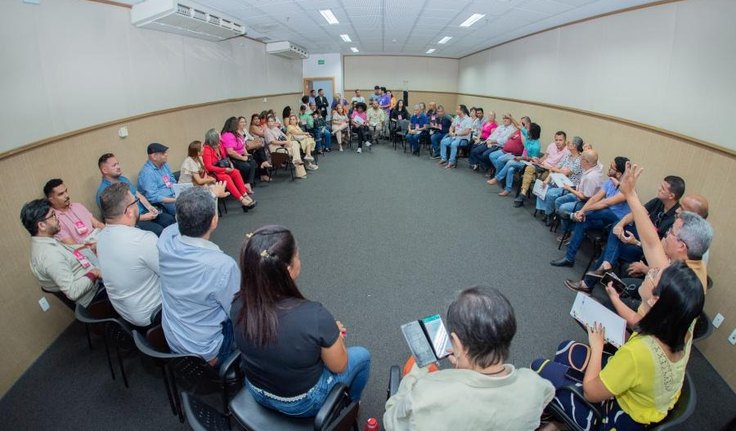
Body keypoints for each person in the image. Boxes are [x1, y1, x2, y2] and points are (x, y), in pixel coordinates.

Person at [532, 260, 704, 431]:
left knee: (539, 366)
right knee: (567, 349)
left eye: (652, 275)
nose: (649, 274)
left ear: (654, 300)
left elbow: (590, 393)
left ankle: (557, 416)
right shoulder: (683, 324)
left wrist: (597, 347)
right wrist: (615, 298)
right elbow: (639, 321)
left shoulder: (638, 353)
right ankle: (558, 417)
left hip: (616, 418)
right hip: (645, 404)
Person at [232, 225, 371, 417]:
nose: (299, 259)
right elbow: (339, 366)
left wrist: (324, 335)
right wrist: (335, 337)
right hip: (301, 403)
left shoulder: (238, 303)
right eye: (297, 255)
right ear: (288, 269)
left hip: (255, 390)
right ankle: (351, 406)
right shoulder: (314, 315)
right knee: (362, 356)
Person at [384, 287, 554, 430]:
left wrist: (414, 376)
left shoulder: (427, 397)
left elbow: (391, 420)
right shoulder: (535, 385)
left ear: (456, 343)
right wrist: (464, 368)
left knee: (413, 365)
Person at [158, 187, 239, 368]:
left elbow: (178, 223)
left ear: (178, 218)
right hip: (207, 352)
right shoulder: (222, 266)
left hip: (174, 341)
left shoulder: (165, 240)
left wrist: (211, 195)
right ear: (214, 221)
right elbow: (238, 313)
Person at [566, 175, 686, 295]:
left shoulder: (675, 220)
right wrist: (620, 224)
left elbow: (659, 250)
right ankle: (605, 266)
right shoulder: (657, 202)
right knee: (616, 227)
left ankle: (591, 280)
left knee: (612, 246)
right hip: (637, 238)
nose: (659, 188)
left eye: (663, 188)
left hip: (646, 252)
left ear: (671, 196)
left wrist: (636, 242)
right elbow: (636, 213)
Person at [97, 183, 161, 327]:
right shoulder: (143, 239)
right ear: (129, 211)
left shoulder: (100, 237)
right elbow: (171, 274)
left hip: (125, 313)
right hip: (153, 314)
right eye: (136, 202)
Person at [21, 198, 103, 307]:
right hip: (94, 296)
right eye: (53, 215)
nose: (57, 218)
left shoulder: (43, 243)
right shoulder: (50, 256)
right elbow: (73, 292)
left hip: (91, 278)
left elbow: (68, 251)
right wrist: (95, 273)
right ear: (41, 225)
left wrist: (88, 246)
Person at [550, 156, 630, 267]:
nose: (608, 169)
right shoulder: (609, 182)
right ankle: (569, 258)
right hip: (603, 219)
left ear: (619, 174)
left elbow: (605, 203)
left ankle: (575, 215)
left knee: (604, 211)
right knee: (582, 221)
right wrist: (582, 211)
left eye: (612, 167)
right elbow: (595, 198)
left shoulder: (627, 190)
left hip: (617, 223)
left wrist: (584, 211)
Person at [97, 153, 175, 236]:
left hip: (144, 212)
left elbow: (138, 195)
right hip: (134, 221)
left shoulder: (123, 179)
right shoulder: (104, 192)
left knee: (169, 220)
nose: (118, 167)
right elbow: (118, 219)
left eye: (118, 163)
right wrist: (144, 217)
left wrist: (150, 207)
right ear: (105, 170)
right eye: (114, 165)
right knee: (159, 231)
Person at [202, 128, 257, 211]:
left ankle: (245, 194)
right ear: (214, 138)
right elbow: (208, 166)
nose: (221, 136)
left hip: (223, 167)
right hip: (214, 172)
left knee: (236, 172)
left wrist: (230, 164)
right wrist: (224, 170)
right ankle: (241, 200)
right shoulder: (206, 149)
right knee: (226, 178)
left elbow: (225, 157)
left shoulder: (220, 144)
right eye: (219, 135)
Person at [513, 131, 570, 207]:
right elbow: (544, 157)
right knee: (529, 168)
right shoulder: (551, 145)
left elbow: (558, 167)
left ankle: (524, 194)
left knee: (533, 176)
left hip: (550, 171)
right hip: (542, 165)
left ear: (565, 140)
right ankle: (523, 193)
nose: (558, 142)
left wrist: (545, 166)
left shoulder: (567, 152)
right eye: (556, 140)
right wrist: (538, 160)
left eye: (560, 140)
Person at [43, 178, 105, 245]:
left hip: (100, 239)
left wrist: (110, 232)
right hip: (86, 249)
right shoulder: (54, 220)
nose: (66, 195)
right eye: (61, 194)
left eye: (66, 191)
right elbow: (74, 246)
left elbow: (97, 224)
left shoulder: (78, 206)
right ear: (52, 200)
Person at [488, 123, 542, 196]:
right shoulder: (529, 137)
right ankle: (507, 189)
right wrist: (511, 117)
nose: (526, 129)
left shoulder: (536, 146)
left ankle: (497, 178)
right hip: (521, 159)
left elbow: (533, 160)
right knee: (509, 168)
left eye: (528, 129)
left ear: (532, 132)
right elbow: (519, 127)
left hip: (527, 164)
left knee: (510, 162)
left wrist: (522, 158)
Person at [531, 136, 585, 210]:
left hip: (569, 186)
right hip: (559, 181)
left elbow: (566, 172)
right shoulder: (568, 155)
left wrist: (554, 169)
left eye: (569, 143)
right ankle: (544, 209)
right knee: (542, 186)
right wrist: (549, 177)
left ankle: (548, 214)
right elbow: (558, 166)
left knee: (550, 193)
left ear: (574, 146)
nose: (567, 144)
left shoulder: (579, 160)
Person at [137, 143, 177, 216]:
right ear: (154, 156)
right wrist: (175, 200)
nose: (166, 155)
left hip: (174, 196)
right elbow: (153, 197)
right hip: (162, 203)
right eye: (163, 153)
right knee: (188, 209)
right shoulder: (147, 173)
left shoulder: (164, 165)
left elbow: (172, 180)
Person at [220, 116, 256, 189]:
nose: (239, 125)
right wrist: (242, 158)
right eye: (237, 124)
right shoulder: (227, 135)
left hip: (240, 155)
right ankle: (245, 183)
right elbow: (230, 152)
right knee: (246, 166)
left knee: (252, 161)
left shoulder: (236, 133)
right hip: (232, 158)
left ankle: (248, 183)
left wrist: (246, 154)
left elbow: (242, 145)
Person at [248, 114, 273, 183]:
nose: (257, 120)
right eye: (255, 119)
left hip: (261, 146)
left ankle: (264, 172)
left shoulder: (259, 126)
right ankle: (263, 174)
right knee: (261, 152)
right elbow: (263, 134)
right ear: (252, 120)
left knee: (263, 150)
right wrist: (265, 129)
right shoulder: (253, 127)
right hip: (254, 148)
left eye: (258, 119)